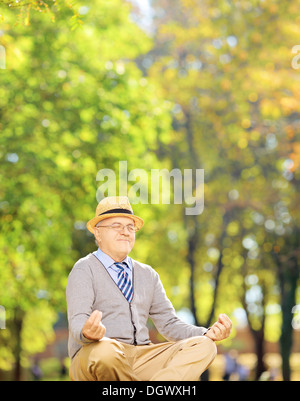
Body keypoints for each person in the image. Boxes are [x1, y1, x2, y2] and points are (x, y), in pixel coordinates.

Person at [66, 196, 232, 381]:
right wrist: (87, 332)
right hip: (95, 355)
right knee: (106, 350)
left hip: (142, 358)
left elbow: (169, 324)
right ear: (97, 233)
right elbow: (78, 319)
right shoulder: (84, 268)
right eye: (116, 226)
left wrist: (206, 332)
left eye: (130, 227)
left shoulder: (148, 274)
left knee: (205, 346)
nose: (125, 232)